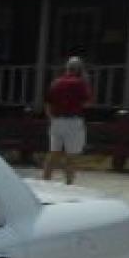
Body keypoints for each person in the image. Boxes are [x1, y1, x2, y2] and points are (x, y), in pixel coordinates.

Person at [43, 56, 92, 184]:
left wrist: (51, 118)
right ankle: (69, 184)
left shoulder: (56, 82)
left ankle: (45, 181)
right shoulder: (80, 83)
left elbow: (48, 104)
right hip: (73, 122)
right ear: (79, 69)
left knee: (53, 154)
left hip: (56, 121)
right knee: (71, 156)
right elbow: (87, 103)